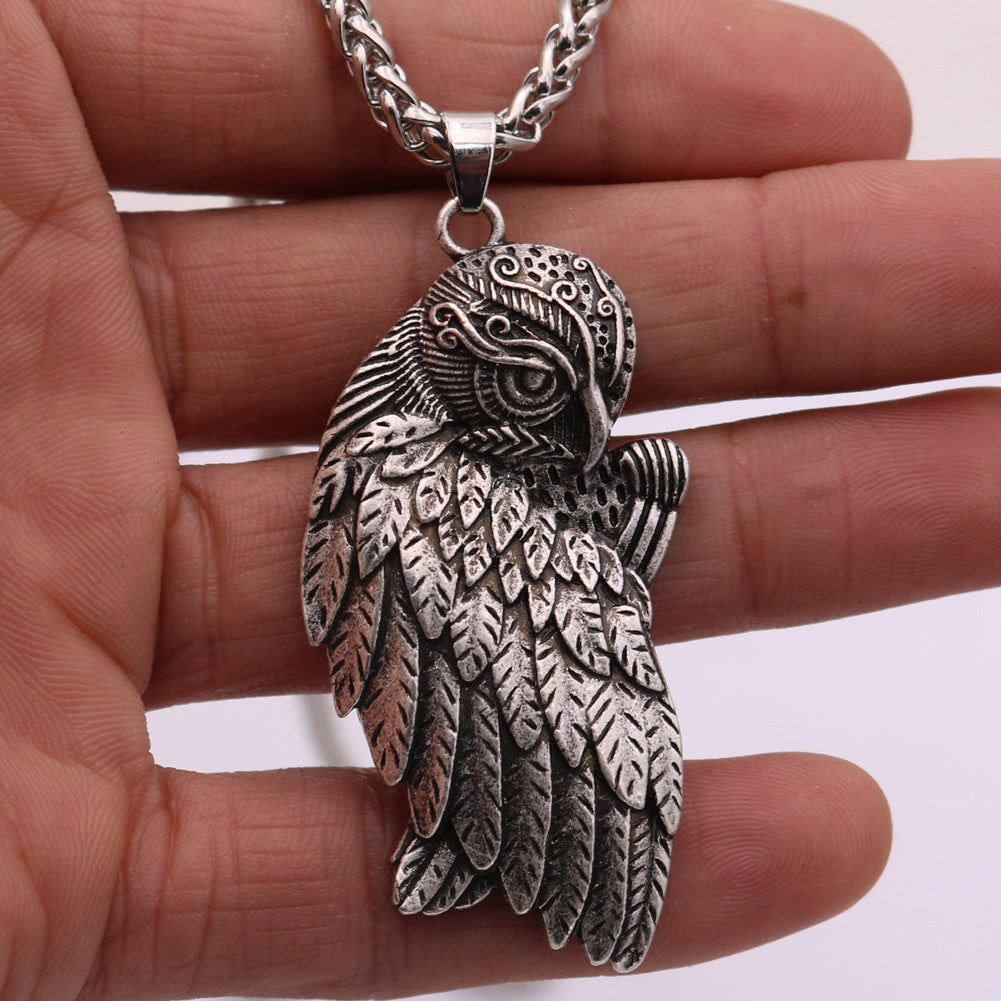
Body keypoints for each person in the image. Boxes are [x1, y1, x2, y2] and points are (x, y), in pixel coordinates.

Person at [1, 0, 997, 998]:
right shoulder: (408, 457)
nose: (577, 437)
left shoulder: (448, 477)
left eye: (594, 398)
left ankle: (486, 838)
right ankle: (479, 833)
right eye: (529, 385)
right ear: (458, 352)